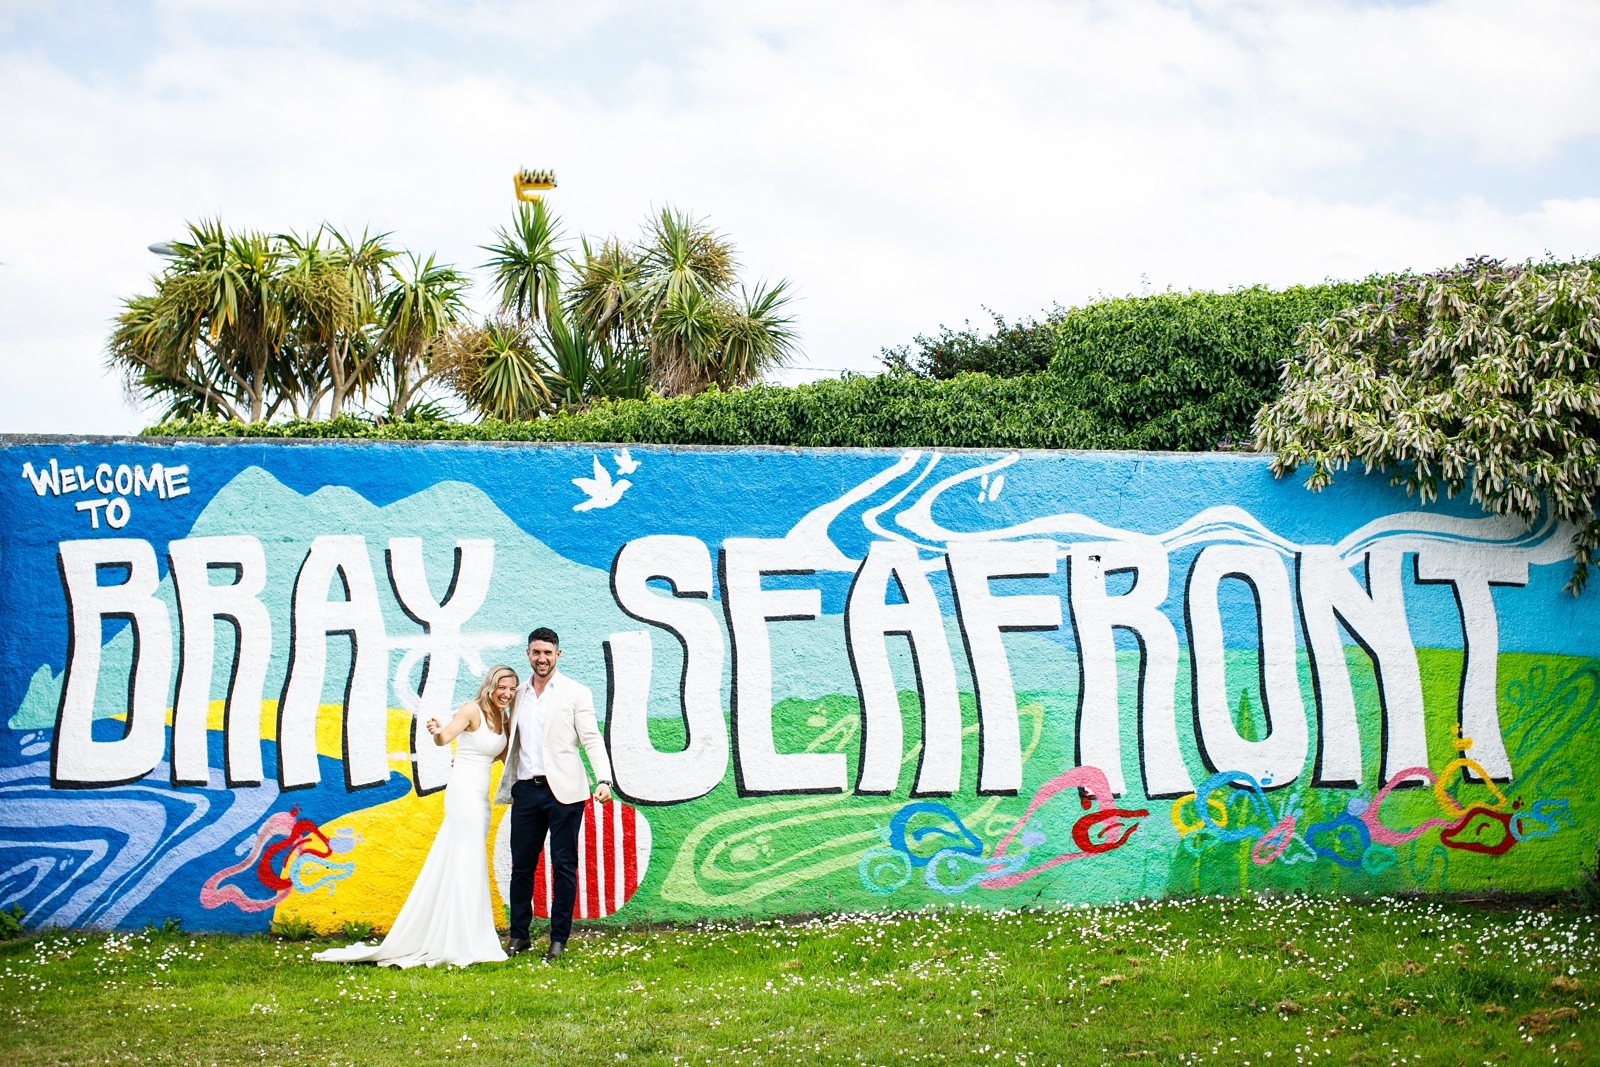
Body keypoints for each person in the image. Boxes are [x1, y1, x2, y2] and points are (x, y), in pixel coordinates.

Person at [313, 665, 517, 968]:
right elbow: (445, 737)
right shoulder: (471, 710)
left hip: (481, 795)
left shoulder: (504, 718)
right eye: (503, 687)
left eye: (512, 689)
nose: (507, 693)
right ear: (491, 685)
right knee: (464, 855)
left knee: (469, 858)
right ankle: (457, 940)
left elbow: (506, 756)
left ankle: (468, 934)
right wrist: (437, 731)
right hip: (463, 792)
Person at [495, 626, 614, 961]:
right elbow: (498, 728)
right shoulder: (516, 693)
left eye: (548, 653)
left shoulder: (576, 692)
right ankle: (519, 935)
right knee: (521, 866)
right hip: (526, 791)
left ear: (557, 655)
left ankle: (558, 939)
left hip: (565, 792)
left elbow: (591, 738)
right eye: (536, 652)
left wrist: (604, 779)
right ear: (528, 655)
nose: (541, 658)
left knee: (563, 865)